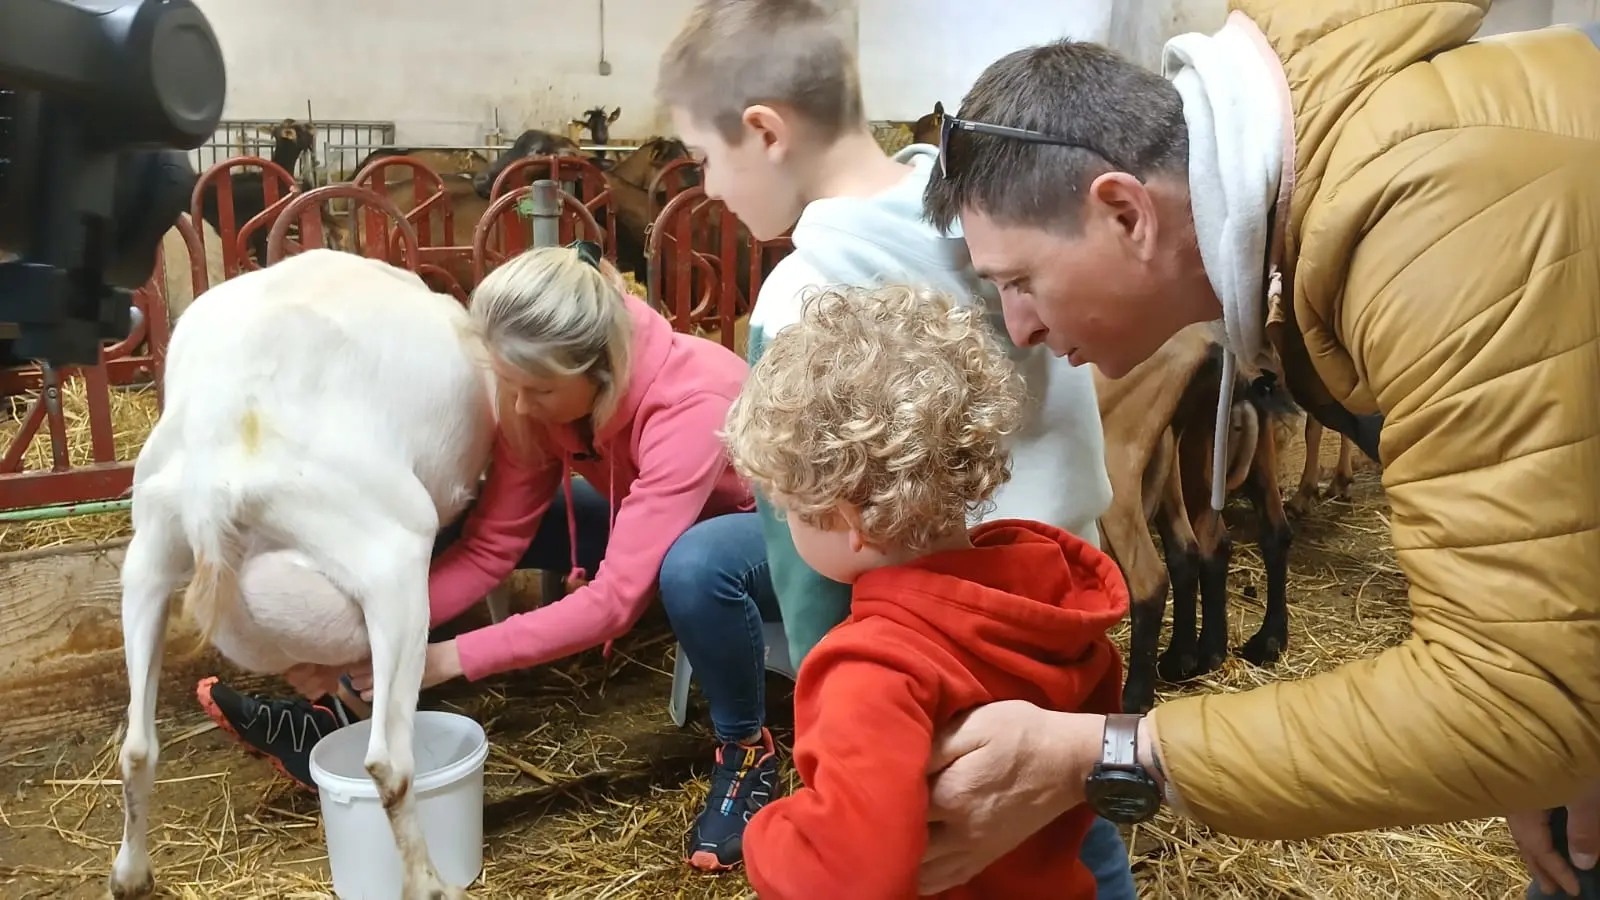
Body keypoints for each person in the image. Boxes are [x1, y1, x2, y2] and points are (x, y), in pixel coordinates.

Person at [912, 3, 1600, 897]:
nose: (1021, 328)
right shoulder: (1337, 184)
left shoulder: (1425, 218)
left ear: (1124, 212)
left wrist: (1105, 753)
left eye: (1021, 281)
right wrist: (1546, 735)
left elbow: (1520, 694)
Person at [654, 0, 1134, 887]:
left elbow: (806, 563)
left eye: (704, 159)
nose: (710, 189)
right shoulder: (996, 222)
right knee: (1071, 839)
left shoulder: (803, 296)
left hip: (916, 669)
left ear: (764, 132)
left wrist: (832, 729)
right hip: (1047, 613)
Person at [195, 243, 777, 815]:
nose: (518, 408)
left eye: (538, 390)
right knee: (441, 522)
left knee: (694, 568)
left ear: (602, 369)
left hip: (768, 542)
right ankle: (345, 707)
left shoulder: (690, 404)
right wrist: (370, 643)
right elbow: (488, 548)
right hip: (648, 512)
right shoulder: (544, 394)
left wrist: (441, 658)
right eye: (508, 383)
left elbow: (614, 603)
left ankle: (746, 750)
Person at [723, 282, 1128, 900]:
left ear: (850, 519)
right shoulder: (1051, 606)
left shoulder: (872, 668)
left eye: (789, 511)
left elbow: (851, 877)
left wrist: (767, 835)